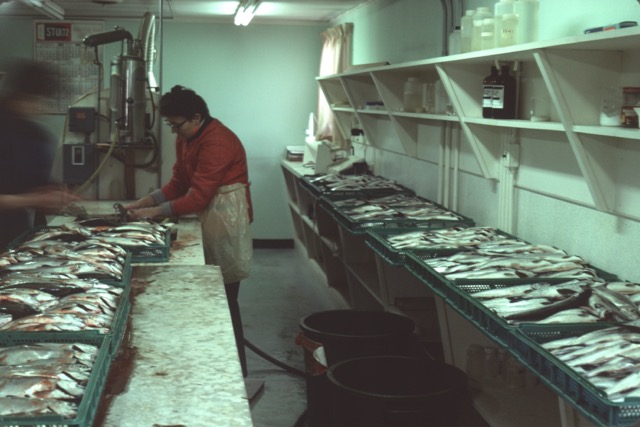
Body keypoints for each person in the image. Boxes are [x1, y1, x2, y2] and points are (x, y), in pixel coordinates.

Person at [124, 85, 253, 377]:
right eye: (169, 124)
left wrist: (153, 213)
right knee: (207, 292)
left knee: (225, 295)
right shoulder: (187, 139)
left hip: (226, 217)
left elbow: (199, 197)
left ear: (196, 118)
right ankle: (210, 360)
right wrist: (138, 205)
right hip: (207, 212)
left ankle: (235, 373)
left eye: (176, 124)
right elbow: (178, 185)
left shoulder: (218, 141)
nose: (173, 131)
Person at [0, 59, 79, 251]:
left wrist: (56, 196)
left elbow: (38, 186)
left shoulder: (35, 134)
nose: (43, 108)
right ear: (20, 95)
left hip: (16, 237)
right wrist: (33, 200)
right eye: (38, 100)